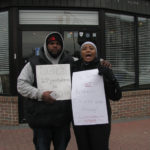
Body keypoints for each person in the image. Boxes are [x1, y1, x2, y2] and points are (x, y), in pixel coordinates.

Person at [17, 31, 112, 150]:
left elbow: (87, 59)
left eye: (57, 43)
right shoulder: (33, 63)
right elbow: (21, 84)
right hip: (41, 120)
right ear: (46, 45)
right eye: (51, 43)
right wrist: (40, 94)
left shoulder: (70, 60)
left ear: (61, 46)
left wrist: (102, 62)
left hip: (62, 120)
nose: (55, 45)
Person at [71, 41, 122, 150]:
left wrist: (110, 77)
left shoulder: (103, 67)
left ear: (96, 52)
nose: (88, 50)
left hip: (100, 119)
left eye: (91, 48)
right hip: (81, 119)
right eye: (84, 48)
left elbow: (116, 96)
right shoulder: (74, 68)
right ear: (81, 53)